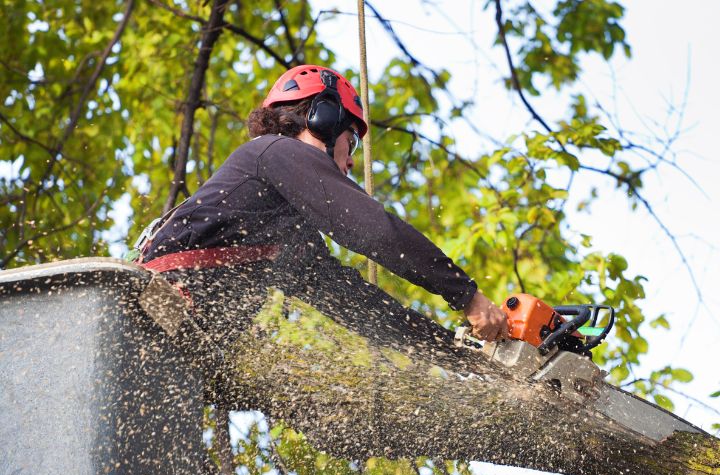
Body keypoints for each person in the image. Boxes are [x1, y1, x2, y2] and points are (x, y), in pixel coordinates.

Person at [136, 64, 509, 352]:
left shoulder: (285, 232)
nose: (350, 163)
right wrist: (467, 295)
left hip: (173, 341)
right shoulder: (273, 152)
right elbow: (374, 230)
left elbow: (359, 306)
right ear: (324, 119)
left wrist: (457, 351)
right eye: (353, 141)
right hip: (150, 313)